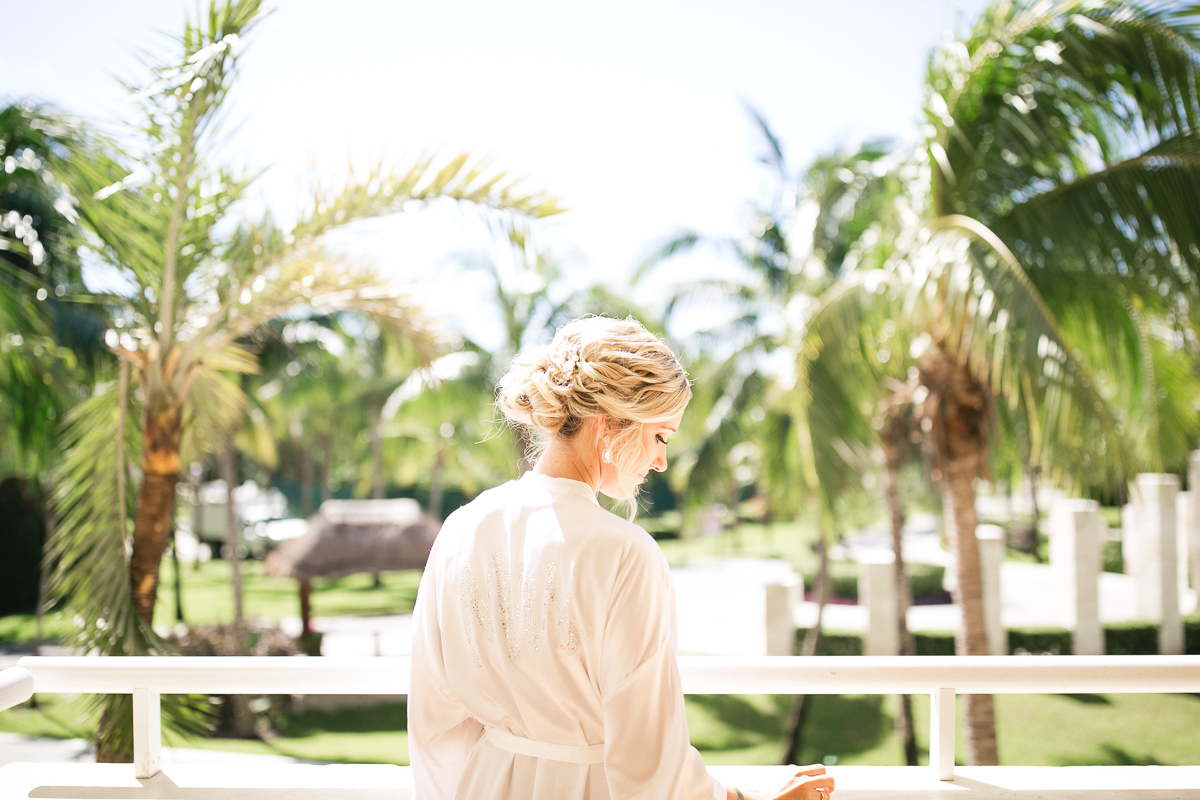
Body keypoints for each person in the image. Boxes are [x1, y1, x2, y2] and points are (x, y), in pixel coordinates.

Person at [408, 316, 835, 800]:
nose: (661, 463)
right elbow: (649, 766)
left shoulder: (462, 527)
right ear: (610, 423)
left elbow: (433, 720)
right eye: (661, 437)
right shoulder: (625, 555)